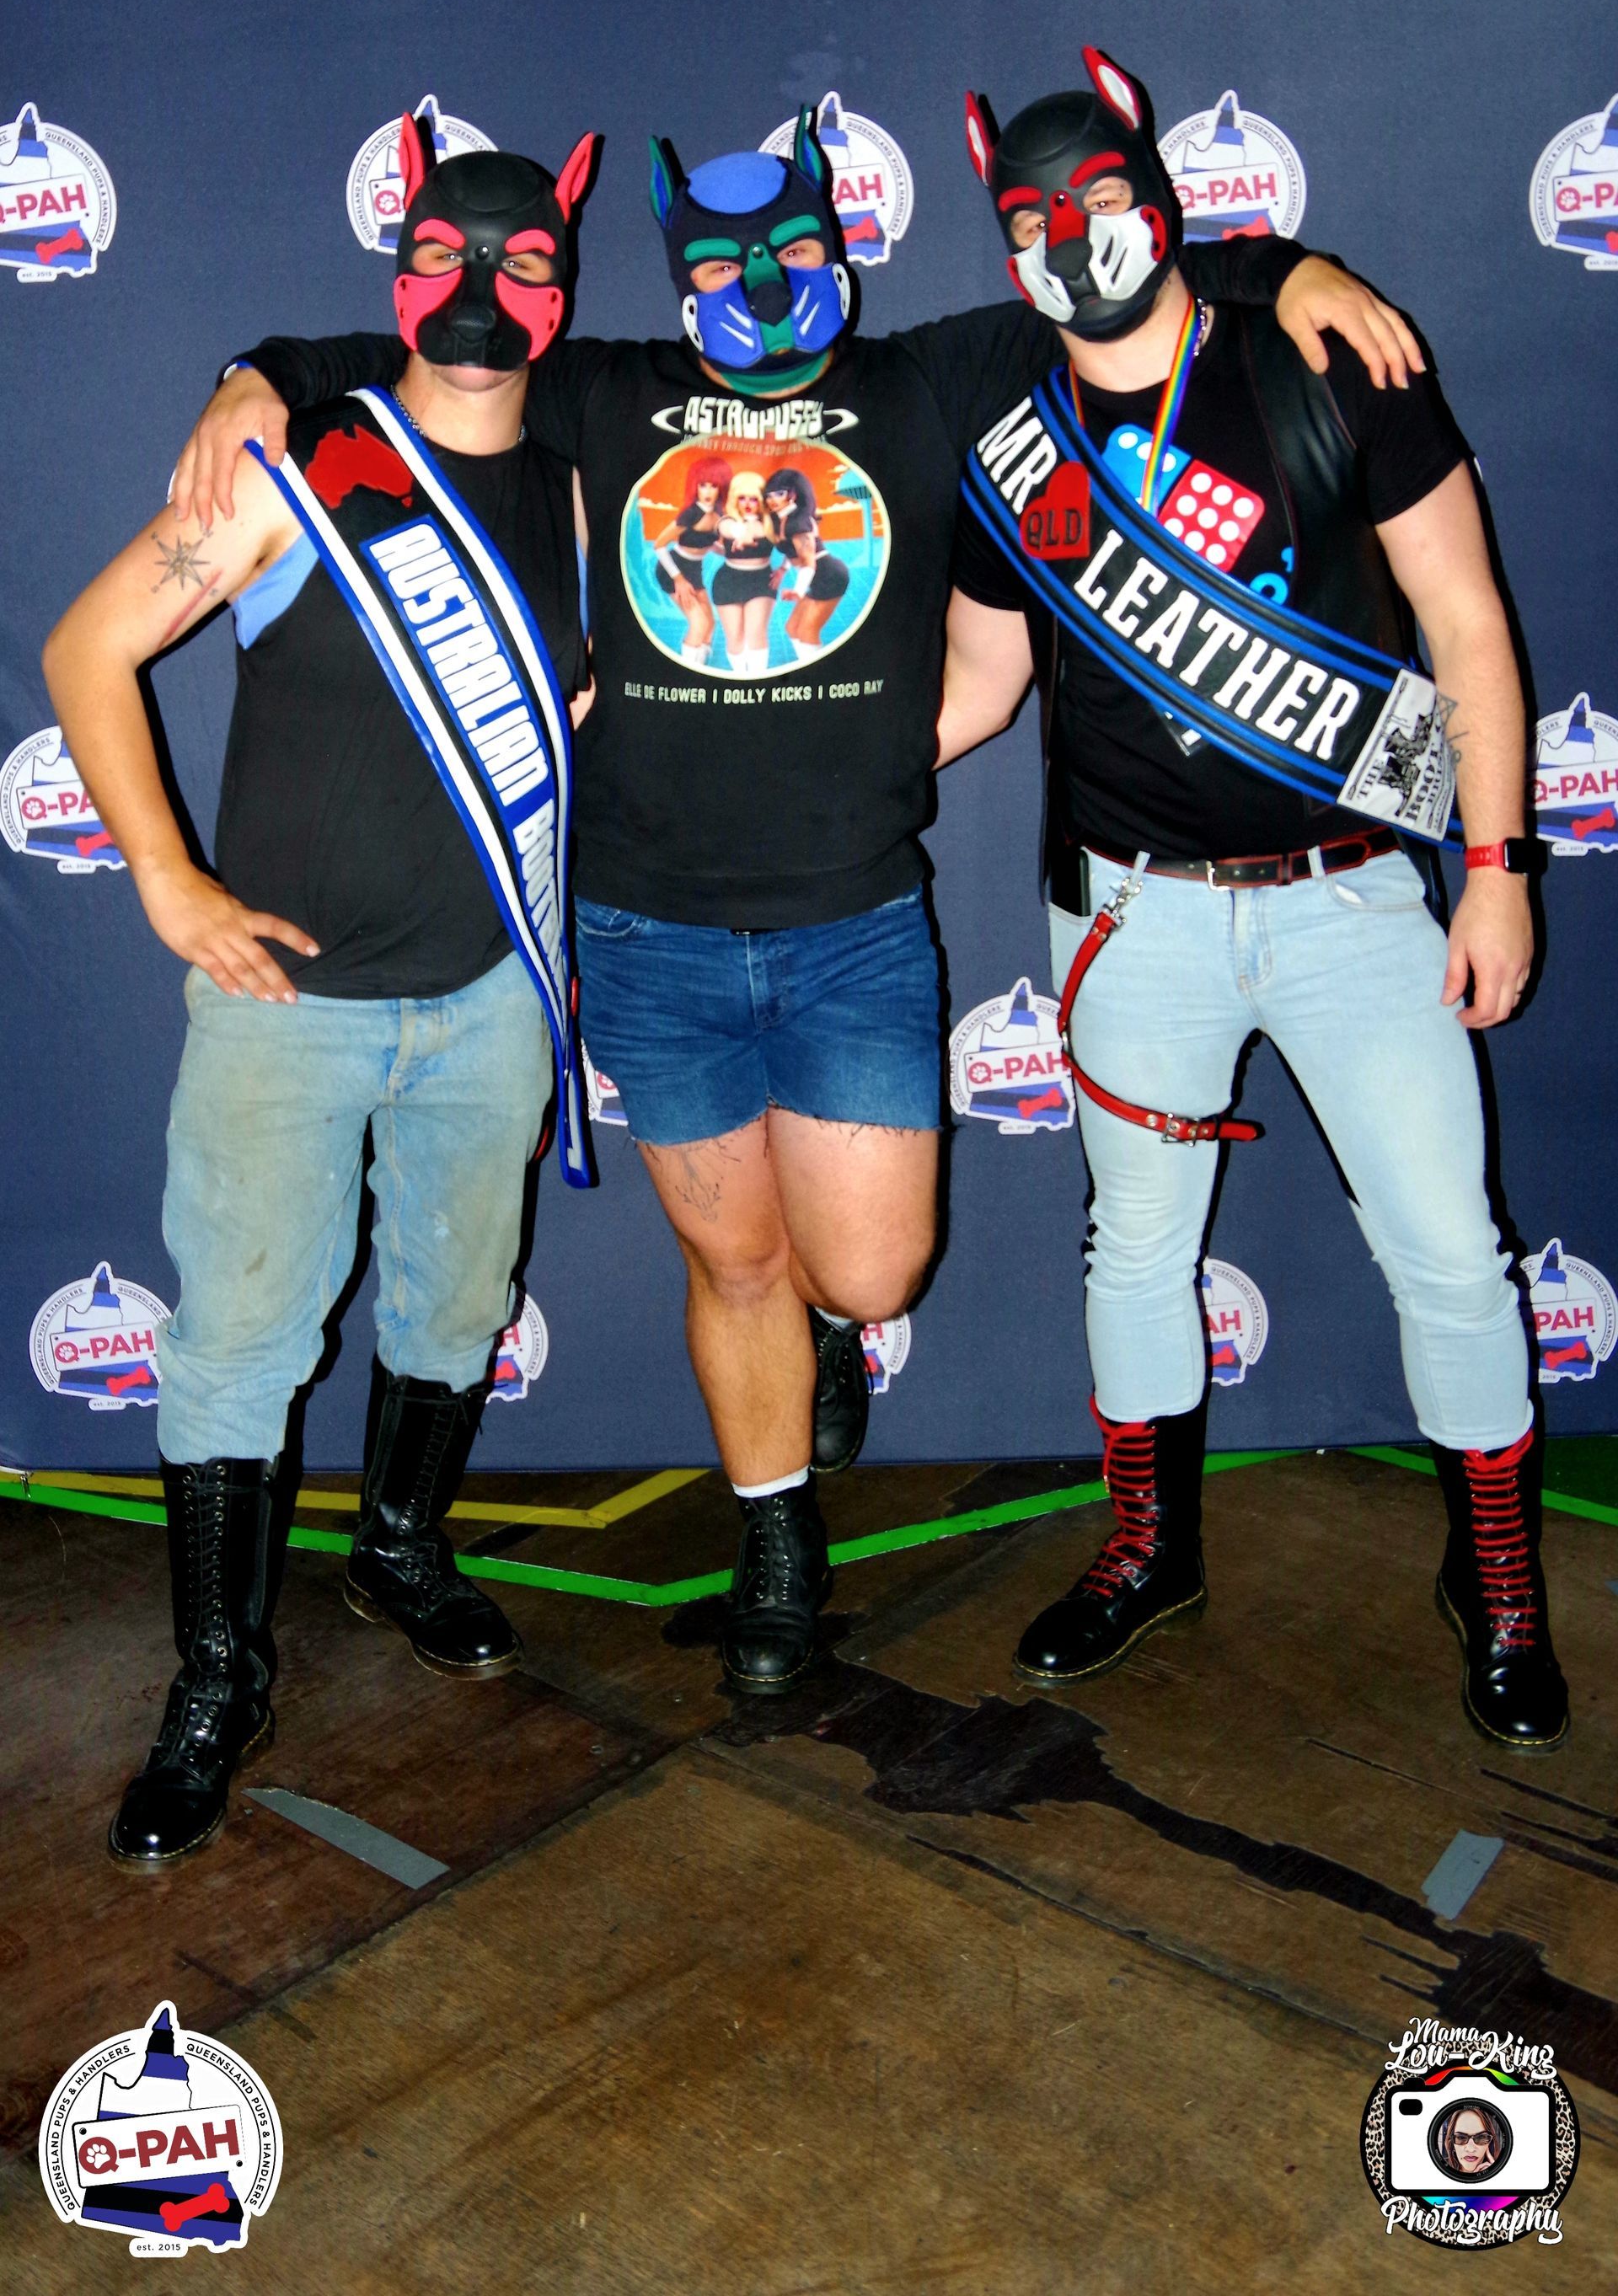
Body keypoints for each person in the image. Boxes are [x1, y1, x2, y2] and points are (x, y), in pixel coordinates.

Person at [171, 97, 1421, 1700]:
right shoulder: (605, 388)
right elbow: (435, 336)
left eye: (793, 253)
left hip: (851, 922)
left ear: (846, 246)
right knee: (736, 1267)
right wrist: (261, 368)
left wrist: (1288, 267)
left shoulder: (925, 380)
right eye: (720, 265)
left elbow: (1116, 286)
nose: (759, 288)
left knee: (872, 1272)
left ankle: (830, 1342)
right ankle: (777, 1545)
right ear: (668, 274)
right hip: (650, 922)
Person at [940, 50, 1567, 1750]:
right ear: (1004, 242)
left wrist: (1497, 868)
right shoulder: (1009, 427)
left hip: (1352, 897)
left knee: (1450, 1251)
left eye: (1102, 199)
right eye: (1032, 219)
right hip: (1128, 915)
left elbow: (1470, 623)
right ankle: (1152, 1549)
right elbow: (978, 685)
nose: (1074, 239)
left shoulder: (1322, 356)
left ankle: (1497, 1574)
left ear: (1160, 197)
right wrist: (777, 761)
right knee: (1136, 1250)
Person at [44, 116, 597, 1865]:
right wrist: (164, 874)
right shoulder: (302, 467)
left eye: (522, 260)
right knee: (235, 1349)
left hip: (489, 998)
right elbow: (87, 647)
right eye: (445, 254)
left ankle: (400, 1550)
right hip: (288, 1008)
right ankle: (219, 1676)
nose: (480, 288)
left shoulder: (587, 487)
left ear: (564, 283)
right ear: (399, 268)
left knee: (457, 1302)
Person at [764, 466, 849, 661]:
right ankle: (805, 665)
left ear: (793, 495)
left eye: (779, 493)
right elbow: (793, 550)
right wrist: (783, 569)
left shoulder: (798, 521)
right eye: (769, 495)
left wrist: (798, 591)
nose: (773, 500)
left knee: (807, 633)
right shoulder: (782, 519)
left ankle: (818, 673)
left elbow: (808, 561)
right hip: (817, 577)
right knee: (792, 628)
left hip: (828, 576)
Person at [650, 453, 728, 665]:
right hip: (673, 569)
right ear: (695, 487)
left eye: (714, 486)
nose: (708, 492)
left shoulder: (720, 513)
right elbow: (659, 545)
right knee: (699, 624)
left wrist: (729, 552)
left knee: (710, 623)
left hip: (694, 570)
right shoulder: (691, 514)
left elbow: (705, 543)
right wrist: (679, 579)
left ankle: (701, 666)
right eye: (703, 485)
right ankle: (688, 670)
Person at [711, 468, 775, 673]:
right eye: (742, 498)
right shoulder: (726, 521)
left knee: (756, 635)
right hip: (728, 581)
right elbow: (728, 529)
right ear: (734, 499)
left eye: (754, 499)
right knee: (735, 639)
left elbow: (770, 533)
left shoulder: (770, 523)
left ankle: (759, 682)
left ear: (762, 500)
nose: (747, 504)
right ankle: (740, 679)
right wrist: (741, 533)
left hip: (762, 581)